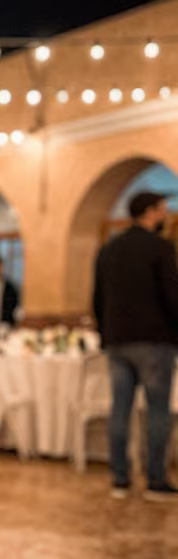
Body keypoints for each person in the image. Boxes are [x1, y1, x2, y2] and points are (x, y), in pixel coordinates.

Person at [93, 190, 178, 501]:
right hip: (154, 340)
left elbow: (98, 298)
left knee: (120, 409)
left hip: (117, 340)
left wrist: (106, 334)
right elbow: (172, 297)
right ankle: (155, 479)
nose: (165, 215)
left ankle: (120, 477)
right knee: (156, 411)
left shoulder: (109, 249)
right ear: (151, 212)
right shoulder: (160, 248)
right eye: (162, 209)